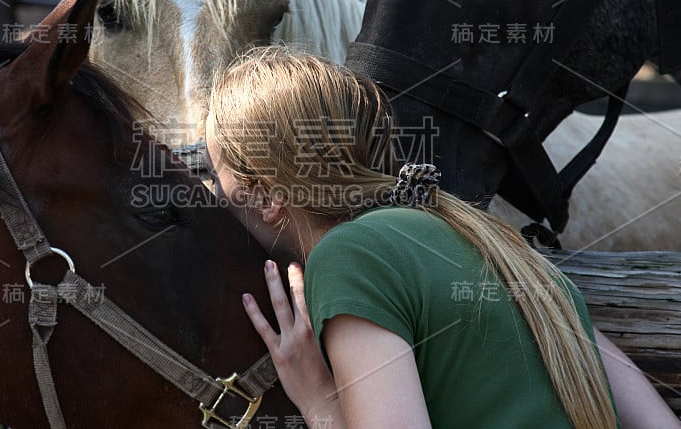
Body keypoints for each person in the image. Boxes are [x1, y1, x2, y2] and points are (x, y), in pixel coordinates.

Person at [204, 46, 680, 429]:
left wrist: (318, 400)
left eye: (213, 171)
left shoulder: (348, 257)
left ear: (266, 196)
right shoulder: (486, 234)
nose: (209, 191)